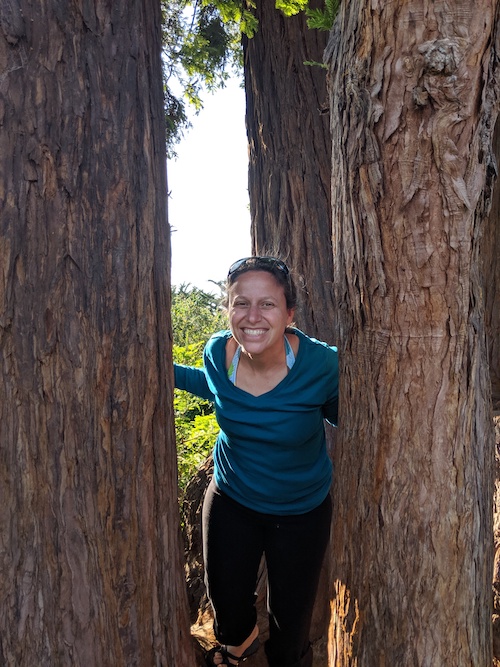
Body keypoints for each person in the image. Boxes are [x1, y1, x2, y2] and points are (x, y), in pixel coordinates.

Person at [174, 256, 339, 667]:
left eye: (267, 304)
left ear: (289, 314)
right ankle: (242, 655)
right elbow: (211, 387)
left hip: (302, 509)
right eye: (240, 303)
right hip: (233, 497)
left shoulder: (322, 365)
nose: (252, 316)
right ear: (228, 309)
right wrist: (158, 366)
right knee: (227, 608)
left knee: (290, 626)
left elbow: (351, 411)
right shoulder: (219, 352)